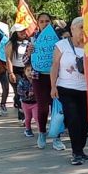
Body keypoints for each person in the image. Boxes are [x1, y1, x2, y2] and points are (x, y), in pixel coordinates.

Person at [51, 17, 88, 165]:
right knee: (73, 119)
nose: (83, 31)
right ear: (72, 29)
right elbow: (54, 66)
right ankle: (76, 152)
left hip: (86, 90)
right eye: (80, 27)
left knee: (85, 122)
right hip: (66, 89)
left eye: (86, 27)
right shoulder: (61, 45)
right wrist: (53, 86)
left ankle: (80, 148)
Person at [27, 13, 65, 151]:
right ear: (38, 23)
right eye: (42, 21)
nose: (45, 23)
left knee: (58, 109)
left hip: (58, 78)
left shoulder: (59, 38)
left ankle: (56, 137)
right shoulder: (32, 40)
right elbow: (26, 62)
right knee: (42, 107)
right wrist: (29, 53)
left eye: (47, 21)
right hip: (39, 78)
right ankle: (42, 132)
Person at [6, 24, 32, 123]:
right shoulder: (10, 44)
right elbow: (8, 59)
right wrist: (11, 73)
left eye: (24, 30)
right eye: (20, 31)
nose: (23, 33)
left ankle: (28, 114)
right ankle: (22, 116)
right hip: (15, 70)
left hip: (27, 70)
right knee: (20, 92)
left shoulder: (29, 42)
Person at [18, 64, 37, 137]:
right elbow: (19, 90)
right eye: (28, 70)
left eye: (31, 70)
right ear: (24, 71)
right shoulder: (22, 81)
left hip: (35, 102)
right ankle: (28, 129)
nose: (30, 72)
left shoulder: (37, 80)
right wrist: (26, 93)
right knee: (28, 118)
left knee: (36, 117)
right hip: (25, 103)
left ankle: (41, 130)